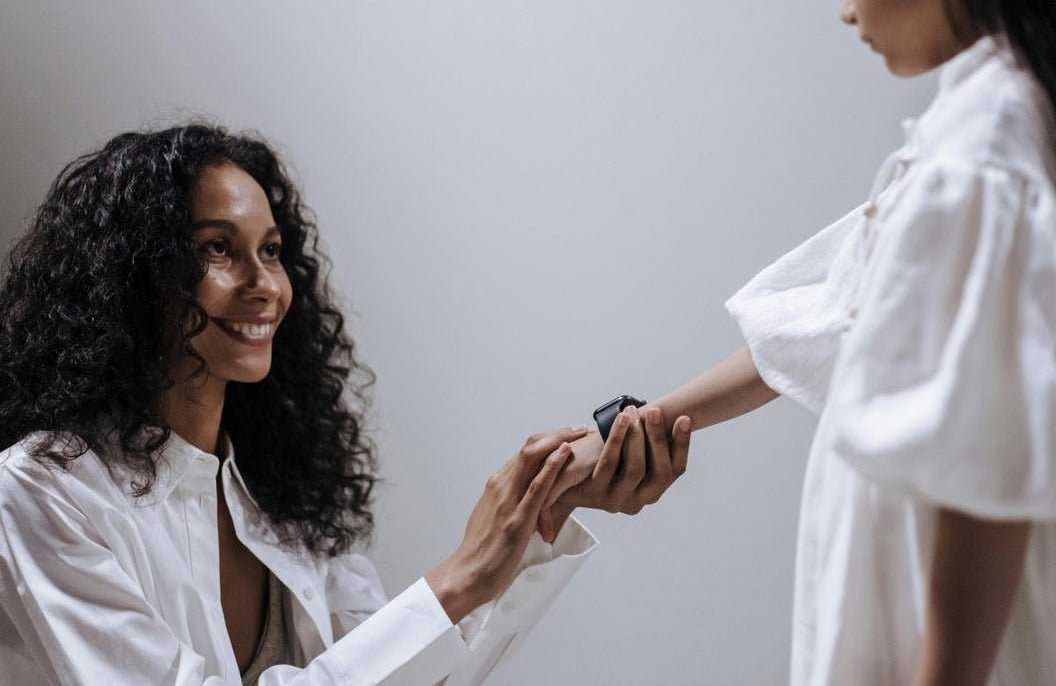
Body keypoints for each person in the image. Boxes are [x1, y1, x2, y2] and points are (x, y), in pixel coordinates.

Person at [548, 0, 1056, 683]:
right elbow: (837, 314)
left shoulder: (978, 166)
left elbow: (984, 489)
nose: (846, 8)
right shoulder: (1011, 125)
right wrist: (635, 426)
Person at [0, 124, 693, 685]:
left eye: (271, 250)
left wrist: (538, 520)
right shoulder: (40, 491)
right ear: (135, 272)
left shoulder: (278, 501)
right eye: (218, 248)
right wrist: (456, 577)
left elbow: (405, 671)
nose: (264, 283)